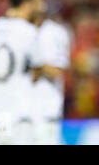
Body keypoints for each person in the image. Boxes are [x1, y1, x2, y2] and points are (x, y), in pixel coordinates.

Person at [0, 0, 46, 145]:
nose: (42, 8)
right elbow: (36, 74)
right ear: (27, 4)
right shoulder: (29, 32)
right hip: (18, 120)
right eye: (38, 2)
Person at [31, 17, 71, 145]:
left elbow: (57, 72)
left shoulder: (56, 32)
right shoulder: (16, 31)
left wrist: (34, 62)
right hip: (19, 113)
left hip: (47, 112)